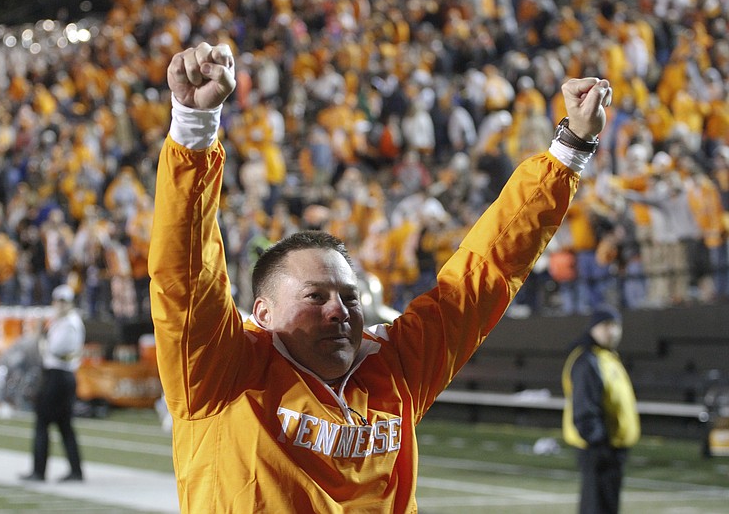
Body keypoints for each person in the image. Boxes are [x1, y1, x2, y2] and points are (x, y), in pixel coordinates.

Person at [148, 41, 613, 512]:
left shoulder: (394, 366)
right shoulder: (221, 371)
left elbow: (486, 271)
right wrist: (193, 125)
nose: (339, 311)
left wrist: (570, 148)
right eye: (315, 296)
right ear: (263, 312)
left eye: (349, 297)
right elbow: (184, 277)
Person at [562, 304, 640, 514]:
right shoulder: (588, 360)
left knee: (606, 506)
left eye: (616, 326)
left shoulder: (608, 357)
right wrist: (598, 443)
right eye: (606, 325)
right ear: (593, 328)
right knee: (596, 507)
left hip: (611, 446)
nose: (612, 331)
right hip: (599, 448)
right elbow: (585, 406)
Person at [21, 284, 85, 483]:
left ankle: (39, 470)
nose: (59, 305)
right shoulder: (62, 320)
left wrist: (42, 340)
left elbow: (55, 348)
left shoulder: (70, 323)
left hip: (60, 375)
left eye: (63, 301)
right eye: (58, 300)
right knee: (64, 425)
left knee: (43, 422)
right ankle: (75, 470)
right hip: (59, 375)